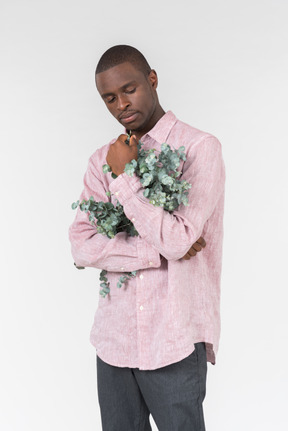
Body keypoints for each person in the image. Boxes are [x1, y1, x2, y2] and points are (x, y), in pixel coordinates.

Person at [69, 45, 225, 431]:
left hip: (173, 339)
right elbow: (80, 244)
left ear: (152, 80)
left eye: (129, 89)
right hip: (113, 341)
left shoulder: (199, 149)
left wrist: (123, 179)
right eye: (109, 98)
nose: (121, 104)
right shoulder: (99, 160)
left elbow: (178, 240)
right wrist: (154, 251)